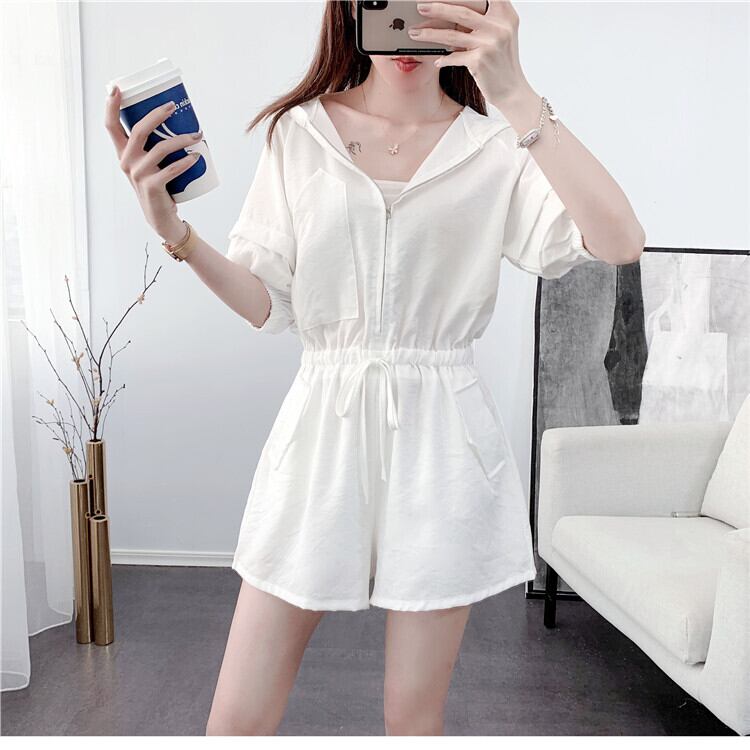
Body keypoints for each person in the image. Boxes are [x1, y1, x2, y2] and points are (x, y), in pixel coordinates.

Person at [105, 0, 644, 736]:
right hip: (321, 438)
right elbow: (268, 303)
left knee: (412, 724)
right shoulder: (299, 133)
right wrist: (175, 231)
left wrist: (516, 93)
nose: (409, 30)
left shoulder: (494, 147)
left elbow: (619, 241)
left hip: (443, 446)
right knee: (235, 723)